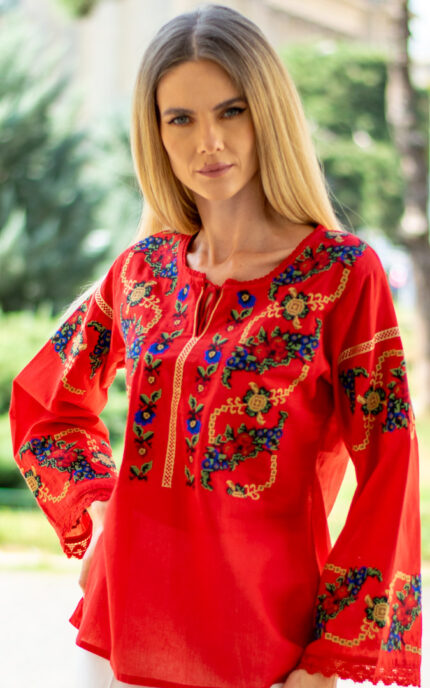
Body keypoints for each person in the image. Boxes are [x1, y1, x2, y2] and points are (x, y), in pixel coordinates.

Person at [9, 4, 421, 688]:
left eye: (232, 111)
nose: (209, 142)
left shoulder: (341, 274)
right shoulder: (142, 271)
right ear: (155, 133)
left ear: (268, 113)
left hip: (262, 650)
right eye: (181, 118)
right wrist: (98, 509)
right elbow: (47, 404)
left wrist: (329, 656)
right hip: (116, 640)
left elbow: (390, 465)